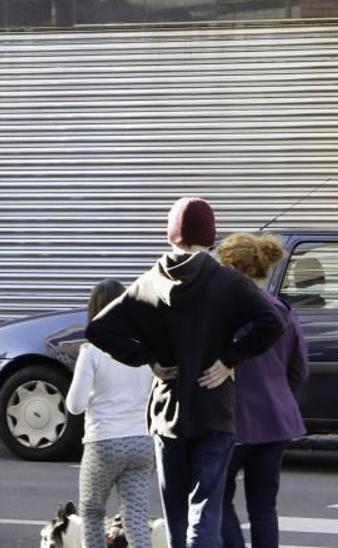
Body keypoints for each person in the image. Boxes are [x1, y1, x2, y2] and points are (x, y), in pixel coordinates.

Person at [86, 197, 284, 548]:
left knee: (176, 512)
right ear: (210, 236)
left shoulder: (148, 283)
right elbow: (272, 323)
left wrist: (149, 360)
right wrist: (228, 361)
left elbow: (99, 329)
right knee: (206, 509)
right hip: (214, 409)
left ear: (170, 235)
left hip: (167, 411)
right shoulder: (228, 282)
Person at [215, 233, 309, 548]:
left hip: (234, 419)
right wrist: (280, 393)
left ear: (231, 268)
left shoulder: (224, 310)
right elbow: (299, 369)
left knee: (217, 497)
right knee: (264, 507)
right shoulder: (281, 309)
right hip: (277, 419)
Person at [66, 279, 156, 548]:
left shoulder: (92, 351)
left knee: (92, 512)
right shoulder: (146, 348)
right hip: (142, 440)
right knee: (137, 518)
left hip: (103, 441)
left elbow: (75, 405)